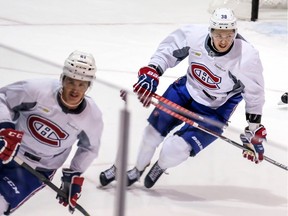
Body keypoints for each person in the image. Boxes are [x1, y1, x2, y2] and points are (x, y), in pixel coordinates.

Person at [99, 7, 267, 188]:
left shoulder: (247, 57)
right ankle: (137, 170)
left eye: (228, 35)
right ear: (210, 31)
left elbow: (254, 93)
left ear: (235, 32)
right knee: (151, 134)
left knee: (175, 149)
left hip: (217, 108)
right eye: (219, 34)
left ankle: (160, 166)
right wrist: (153, 71)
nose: (223, 40)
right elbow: (168, 49)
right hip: (185, 90)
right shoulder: (195, 35)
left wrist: (253, 129)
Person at [0, 50, 103, 215]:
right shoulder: (36, 90)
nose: (75, 90)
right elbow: (3, 98)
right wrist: (5, 128)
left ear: (88, 86)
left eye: (82, 84)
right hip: (6, 147)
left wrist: (74, 173)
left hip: (37, 169)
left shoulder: (92, 117)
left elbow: (89, 148)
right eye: (71, 82)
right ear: (62, 79)